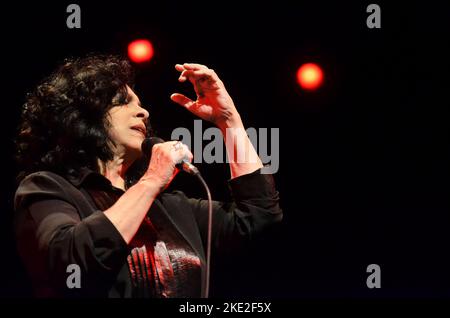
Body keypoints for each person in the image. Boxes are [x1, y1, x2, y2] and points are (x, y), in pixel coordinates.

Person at [14, 54, 282, 298]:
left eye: (141, 104)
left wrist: (228, 120)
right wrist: (152, 180)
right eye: (123, 102)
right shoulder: (46, 188)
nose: (144, 112)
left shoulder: (167, 207)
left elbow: (257, 216)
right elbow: (70, 260)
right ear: (83, 116)